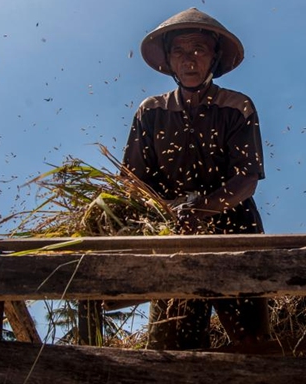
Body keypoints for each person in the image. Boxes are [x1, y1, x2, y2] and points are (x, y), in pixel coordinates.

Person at [122, 8, 269, 350]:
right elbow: (132, 181)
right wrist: (170, 212)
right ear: (169, 61)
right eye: (180, 52)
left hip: (235, 233)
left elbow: (246, 178)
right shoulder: (151, 112)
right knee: (172, 348)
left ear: (214, 57)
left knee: (253, 344)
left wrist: (200, 211)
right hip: (173, 238)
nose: (190, 60)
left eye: (199, 50)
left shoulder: (236, 107)